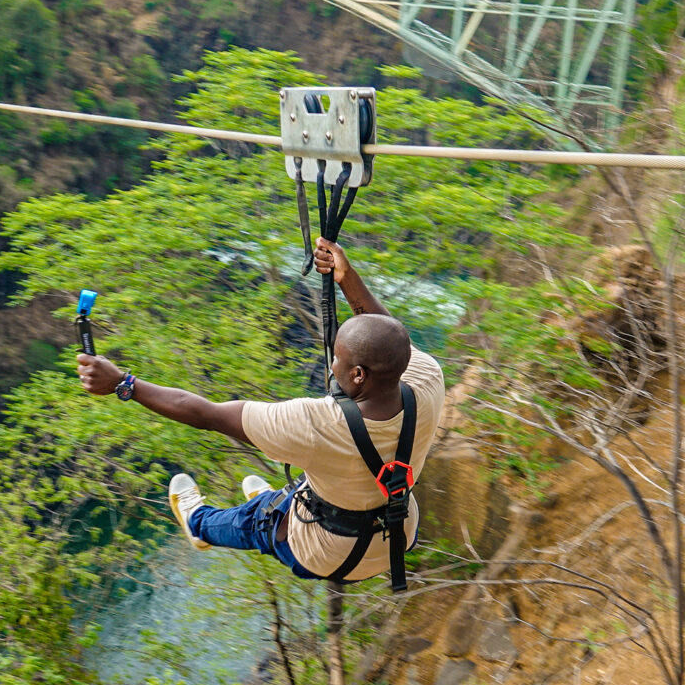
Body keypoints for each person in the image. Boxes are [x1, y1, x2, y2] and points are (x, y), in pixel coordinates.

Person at [75, 237, 445, 584]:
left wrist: (123, 384)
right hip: (397, 534)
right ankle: (283, 499)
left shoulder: (315, 423)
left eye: (339, 360)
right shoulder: (428, 381)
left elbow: (206, 413)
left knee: (259, 519)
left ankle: (198, 523)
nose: (332, 366)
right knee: (333, 475)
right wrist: (348, 280)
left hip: (327, 555)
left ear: (359, 375)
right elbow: (392, 340)